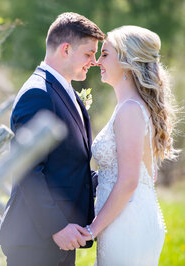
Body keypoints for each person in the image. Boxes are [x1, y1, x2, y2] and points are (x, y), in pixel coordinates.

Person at [0, 12, 104, 265]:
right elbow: (26, 167)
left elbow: (67, 166)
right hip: (36, 241)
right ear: (66, 49)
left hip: (60, 239)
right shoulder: (37, 94)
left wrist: (115, 176)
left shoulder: (67, 93)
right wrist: (57, 227)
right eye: (89, 53)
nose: (94, 61)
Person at [87, 25, 177, 265]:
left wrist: (91, 230)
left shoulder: (129, 110)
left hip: (127, 225)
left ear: (127, 60)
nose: (97, 61)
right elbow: (150, 173)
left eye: (105, 54)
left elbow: (129, 181)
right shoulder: (130, 107)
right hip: (126, 219)